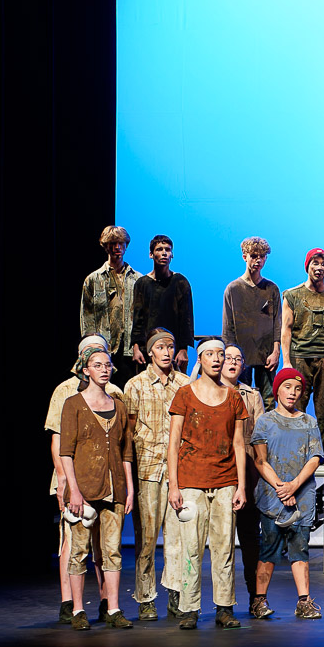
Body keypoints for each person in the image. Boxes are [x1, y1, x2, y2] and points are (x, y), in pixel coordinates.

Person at [165, 339, 248, 629]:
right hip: (191, 481)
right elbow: (173, 442)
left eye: (220, 354)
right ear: (200, 359)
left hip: (225, 481)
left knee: (224, 548)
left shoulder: (234, 397)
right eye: (210, 354)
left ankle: (224, 607)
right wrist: (173, 485)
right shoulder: (185, 394)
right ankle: (189, 608)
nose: (217, 359)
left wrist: (241, 485)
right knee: (191, 548)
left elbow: (239, 443)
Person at [57, 344, 136, 629]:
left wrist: (129, 488)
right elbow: (66, 452)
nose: (104, 370)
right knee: (79, 551)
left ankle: (113, 608)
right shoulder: (73, 404)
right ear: (86, 370)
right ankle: (78, 610)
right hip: (84, 489)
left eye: (107, 365)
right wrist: (74, 491)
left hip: (115, 489)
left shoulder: (119, 405)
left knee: (112, 551)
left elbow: (126, 452)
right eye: (98, 365)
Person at [46, 335, 123, 625]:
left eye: (104, 356)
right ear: (83, 361)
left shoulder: (114, 393)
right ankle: (70, 603)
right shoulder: (65, 391)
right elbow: (59, 440)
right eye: (93, 356)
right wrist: (64, 481)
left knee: (107, 546)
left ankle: (107, 603)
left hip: (106, 475)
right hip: (73, 476)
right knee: (73, 542)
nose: (101, 363)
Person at [122, 328, 192, 620]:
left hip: (178, 472)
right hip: (148, 470)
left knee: (177, 538)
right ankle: (146, 597)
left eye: (170, 347)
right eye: (160, 347)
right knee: (147, 538)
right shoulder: (135, 385)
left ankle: (175, 594)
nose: (166, 352)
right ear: (150, 351)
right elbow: (129, 431)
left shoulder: (185, 384)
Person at [250, 366, 324, 620]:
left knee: (299, 549)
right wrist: (282, 487)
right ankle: (259, 601)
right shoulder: (265, 421)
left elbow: (315, 457)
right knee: (269, 549)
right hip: (272, 496)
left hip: (301, 496)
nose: (292, 392)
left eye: (297, 388)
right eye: (287, 387)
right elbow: (260, 460)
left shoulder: (308, 422)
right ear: (277, 390)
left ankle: (304, 601)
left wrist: (294, 485)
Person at [281, 247, 324, 464]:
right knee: (296, 405)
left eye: (323, 264)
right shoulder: (292, 295)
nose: (319, 268)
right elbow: (286, 330)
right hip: (300, 357)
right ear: (307, 266)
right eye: (315, 263)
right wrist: (286, 362)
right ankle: (296, 452)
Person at [222, 344, 268, 616]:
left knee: (251, 540)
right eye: (228, 357)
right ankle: (224, 603)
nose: (233, 362)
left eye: (238, 359)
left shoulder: (252, 395)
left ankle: (256, 598)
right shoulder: (207, 392)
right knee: (222, 542)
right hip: (219, 469)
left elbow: (260, 437)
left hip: (248, 472)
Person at [222, 236, 282, 409]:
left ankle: (266, 429)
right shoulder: (233, 288)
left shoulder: (271, 289)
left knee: (268, 401)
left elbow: (277, 323)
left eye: (262, 256)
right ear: (245, 257)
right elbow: (228, 326)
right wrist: (231, 356)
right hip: (242, 355)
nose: (258, 260)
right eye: (254, 256)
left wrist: (276, 351)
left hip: (266, 354)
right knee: (241, 400)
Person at [79, 224, 141, 384]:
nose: (117, 247)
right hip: (103, 346)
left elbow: (142, 316)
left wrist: (139, 345)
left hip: (129, 348)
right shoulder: (93, 279)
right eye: (113, 243)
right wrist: (90, 347)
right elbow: (87, 317)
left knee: (127, 388)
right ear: (106, 246)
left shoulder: (137, 279)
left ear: (126, 245)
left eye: (121, 243)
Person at [130, 234, 194, 374]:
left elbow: (186, 319)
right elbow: (137, 319)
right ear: (151, 254)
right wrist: (136, 347)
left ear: (172, 255)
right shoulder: (142, 283)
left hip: (173, 349)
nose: (164, 253)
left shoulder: (180, 282)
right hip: (147, 349)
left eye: (168, 249)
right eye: (159, 249)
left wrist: (183, 349)